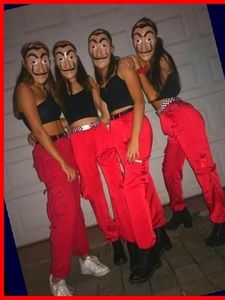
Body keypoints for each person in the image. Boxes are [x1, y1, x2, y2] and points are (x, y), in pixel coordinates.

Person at [13, 41, 110, 296]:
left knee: (74, 211)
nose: (41, 64)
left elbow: (58, 120)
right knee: (63, 216)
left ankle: (85, 259)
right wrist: (61, 160)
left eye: (44, 59)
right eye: (34, 59)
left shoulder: (49, 88)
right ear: (25, 63)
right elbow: (37, 128)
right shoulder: (24, 89)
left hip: (65, 146)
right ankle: (57, 277)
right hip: (51, 155)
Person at [129, 17, 225, 247]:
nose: (143, 44)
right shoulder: (144, 65)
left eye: (148, 37)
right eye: (137, 39)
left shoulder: (161, 59)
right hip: (169, 120)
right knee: (170, 169)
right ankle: (180, 211)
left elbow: (154, 96)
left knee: (204, 169)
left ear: (156, 39)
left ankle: (223, 219)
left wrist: (140, 71)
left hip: (183, 116)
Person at [88, 28, 171, 284]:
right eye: (94, 45)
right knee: (142, 181)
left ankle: (148, 250)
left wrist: (134, 138)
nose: (99, 48)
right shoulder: (98, 79)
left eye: (104, 43)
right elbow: (104, 116)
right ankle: (161, 234)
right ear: (90, 50)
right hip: (116, 129)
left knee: (131, 186)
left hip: (134, 126)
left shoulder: (123, 67)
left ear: (111, 47)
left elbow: (138, 101)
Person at [52, 40, 133, 266]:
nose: (66, 60)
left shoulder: (88, 80)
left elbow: (100, 105)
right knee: (95, 194)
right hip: (78, 142)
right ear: (56, 63)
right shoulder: (56, 89)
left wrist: (106, 119)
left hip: (99, 134)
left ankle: (129, 234)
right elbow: (56, 117)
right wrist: (43, 131)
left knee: (117, 185)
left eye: (70, 54)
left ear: (76, 57)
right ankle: (114, 240)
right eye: (60, 57)